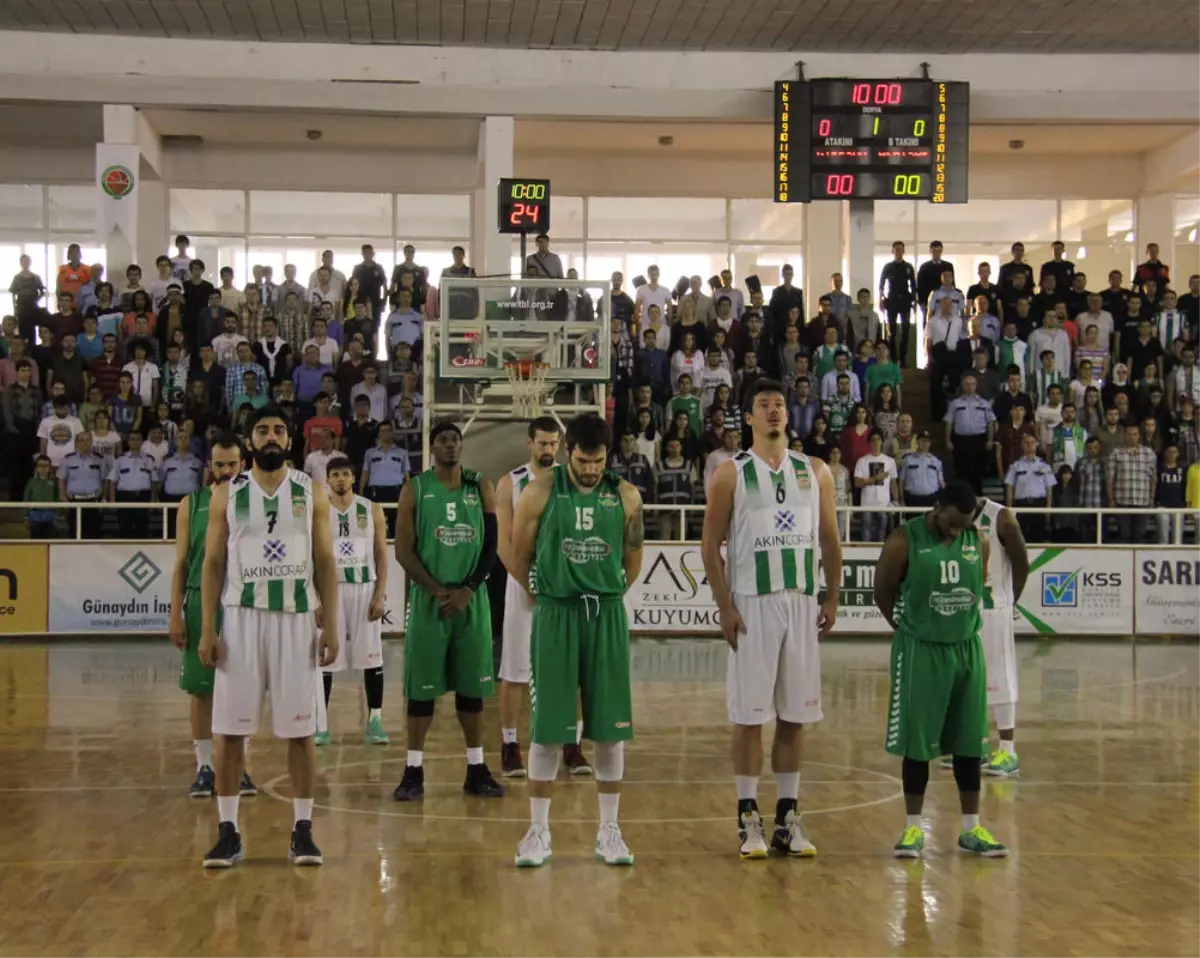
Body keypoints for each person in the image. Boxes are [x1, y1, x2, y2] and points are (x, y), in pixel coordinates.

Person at [701, 378, 842, 859]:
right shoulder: (730, 474)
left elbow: (829, 539)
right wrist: (724, 605)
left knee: (795, 715)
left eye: (779, 404)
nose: (774, 411)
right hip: (752, 603)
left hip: (801, 601)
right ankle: (747, 816)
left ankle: (787, 817)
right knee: (749, 716)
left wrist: (832, 598)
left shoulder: (816, 470)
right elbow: (709, 545)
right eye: (763, 405)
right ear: (748, 417)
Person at [198, 405, 339, 868]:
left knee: (300, 732)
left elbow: (325, 561)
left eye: (279, 429)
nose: (271, 436)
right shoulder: (227, 493)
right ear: (250, 441)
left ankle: (303, 830)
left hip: (296, 619)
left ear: (290, 438)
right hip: (240, 619)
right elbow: (213, 563)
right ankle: (228, 831)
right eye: (262, 430)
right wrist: (208, 627)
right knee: (230, 730)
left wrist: (332, 624)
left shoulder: (311, 490)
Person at [507, 413, 645, 868]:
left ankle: (610, 830)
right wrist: (542, 592)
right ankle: (538, 831)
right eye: (584, 461)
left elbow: (634, 560)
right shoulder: (540, 491)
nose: (591, 470)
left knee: (608, 730)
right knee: (548, 728)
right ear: (569, 452)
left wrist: (605, 594)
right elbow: (517, 554)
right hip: (556, 612)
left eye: (599, 461)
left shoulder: (626, 495)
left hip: (604, 613)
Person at [873, 481, 1007, 859]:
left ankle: (971, 828)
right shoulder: (904, 539)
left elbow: (976, 587)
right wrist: (906, 628)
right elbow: (882, 591)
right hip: (921, 650)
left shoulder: (976, 541)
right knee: (917, 743)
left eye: (963, 524)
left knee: (970, 743)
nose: (956, 529)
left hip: (966, 649)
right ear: (937, 507)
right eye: (951, 522)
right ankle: (913, 828)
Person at [391, 422, 504, 803]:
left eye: (455, 440)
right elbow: (403, 549)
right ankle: (413, 771)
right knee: (421, 693)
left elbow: (492, 547)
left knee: (473, 691)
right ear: (432, 446)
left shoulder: (480, 485)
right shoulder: (416, 488)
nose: (450, 446)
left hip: (472, 599)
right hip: (430, 601)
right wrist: (438, 590)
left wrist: (467, 589)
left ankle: (476, 769)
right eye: (442, 440)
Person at [496, 418, 592, 778]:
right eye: (543, 443)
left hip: (566, 586)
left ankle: (573, 744)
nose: (549, 450)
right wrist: (527, 580)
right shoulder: (511, 483)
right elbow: (503, 544)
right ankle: (509, 746)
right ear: (529, 443)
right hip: (524, 587)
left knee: (572, 669)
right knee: (516, 670)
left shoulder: (574, 481)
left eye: (554, 444)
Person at [168, 434, 257, 799]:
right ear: (210, 467)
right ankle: (205, 765)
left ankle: (240, 767)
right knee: (202, 692)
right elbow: (181, 563)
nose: (224, 471)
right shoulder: (192, 504)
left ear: (243, 465)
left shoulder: (256, 504)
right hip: (199, 602)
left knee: (243, 691)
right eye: (219, 464)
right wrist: (175, 614)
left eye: (231, 465)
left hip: (243, 604)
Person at [313, 458, 389, 746]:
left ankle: (375, 721)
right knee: (326, 659)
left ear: (353, 478)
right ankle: (320, 724)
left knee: (373, 656)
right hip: (330, 591)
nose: (341, 479)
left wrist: (380, 593)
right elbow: (311, 555)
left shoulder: (371, 509)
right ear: (327, 480)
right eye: (335, 475)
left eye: (346, 474)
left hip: (363, 588)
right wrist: (316, 599)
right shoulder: (318, 510)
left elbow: (382, 552)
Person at [970, 496, 1029, 777]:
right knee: (971, 677)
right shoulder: (952, 517)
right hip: (968, 609)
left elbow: (1022, 563)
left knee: (1001, 677)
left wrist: (1010, 601)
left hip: (996, 607)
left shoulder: (1002, 517)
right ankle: (977, 745)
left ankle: (1008, 749)